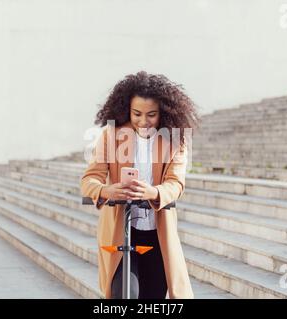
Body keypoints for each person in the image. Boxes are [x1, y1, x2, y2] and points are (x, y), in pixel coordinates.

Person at [80, 71, 200, 299]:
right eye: (137, 114)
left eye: (151, 115)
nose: (143, 121)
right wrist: (106, 190)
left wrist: (154, 192)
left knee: (152, 298)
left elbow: (176, 184)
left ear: (163, 113)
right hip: (120, 232)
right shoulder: (111, 136)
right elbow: (89, 179)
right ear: (127, 109)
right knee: (124, 295)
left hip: (157, 234)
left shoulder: (175, 140)